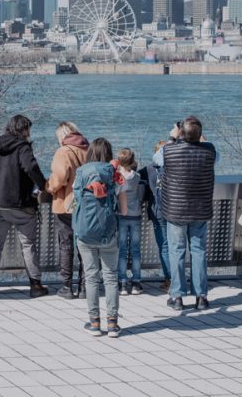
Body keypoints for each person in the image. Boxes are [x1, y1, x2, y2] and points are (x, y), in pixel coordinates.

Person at [0, 114, 48, 300]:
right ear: (23, 130)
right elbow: (31, 168)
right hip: (21, 205)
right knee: (28, 245)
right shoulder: (23, 147)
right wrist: (42, 185)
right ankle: (35, 285)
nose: (29, 133)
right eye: (28, 129)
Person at [155, 116, 217, 311]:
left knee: (177, 252)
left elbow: (156, 159)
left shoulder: (168, 150)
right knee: (199, 252)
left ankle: (177, 296)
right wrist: (201, 140)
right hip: (200, 210)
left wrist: (172, 138)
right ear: (199, 135)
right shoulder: (210, 151)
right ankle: (201, 296)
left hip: (175, 210)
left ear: (181, 132)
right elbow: (215, 155)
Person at [73, 138, 121, 338]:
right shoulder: (113, 173)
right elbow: (119, 194)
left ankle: (94, 323)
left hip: (85, 231)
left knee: (91, 277)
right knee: (111, 277)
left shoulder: (81, 172)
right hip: (108, 230)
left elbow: (76, 196)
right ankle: (112, 323)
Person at [45, 121, 88, 299]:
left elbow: (60, 177)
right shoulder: (89, 149)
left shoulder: (63, 151)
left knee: (66, 244)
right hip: (87, 203)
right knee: (85, 246)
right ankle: (85, 287)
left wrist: (49, 187)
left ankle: (66, 286)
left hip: (67, 204)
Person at [116, 148, 145, 296]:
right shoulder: (137, 177)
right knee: (135, 250)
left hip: (121, 215)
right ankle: (136, 282)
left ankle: (122, 282)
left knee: (122, 250)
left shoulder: (117, 178)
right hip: (136, 215)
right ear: (133, 161)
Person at [142, 140, 170, 292]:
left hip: (157, 211)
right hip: (174, 211)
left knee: (164, 246)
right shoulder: (174, 168)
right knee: (176, 247)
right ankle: (177, 279)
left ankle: (169, 279)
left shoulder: (148, 169)